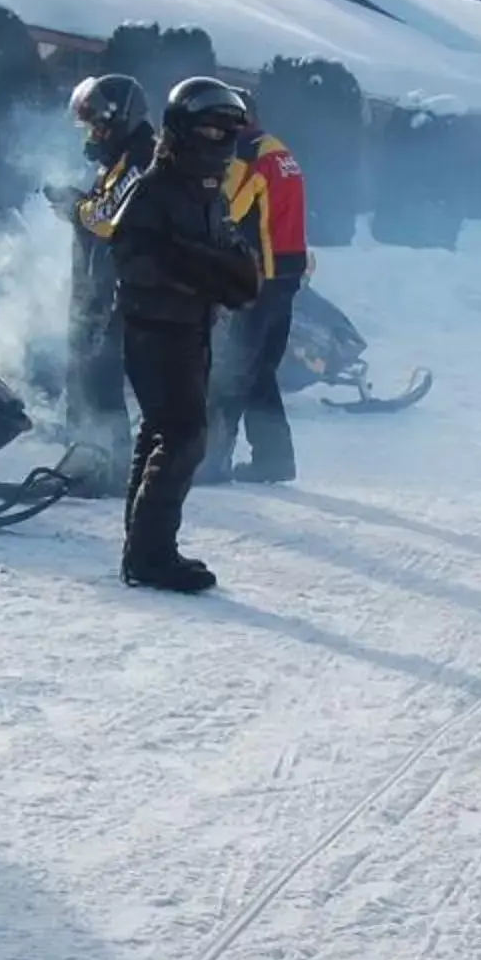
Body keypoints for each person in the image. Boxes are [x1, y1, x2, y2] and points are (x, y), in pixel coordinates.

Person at [109, 78, 262, 590]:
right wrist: (201, 269)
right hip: (153, 330)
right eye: (210, 128)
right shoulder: (155, 188)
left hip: (190, 327)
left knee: (161, 433)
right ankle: (151, 556)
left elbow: (233, 253)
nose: (220, 139)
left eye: (228, 130)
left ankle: (144, 549)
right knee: (184, 436)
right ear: (183, 130)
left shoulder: (208, 193)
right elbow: (133, 259)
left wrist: (230, 272)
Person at [203, 96, 310, 484]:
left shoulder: (248, 153)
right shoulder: (279, 150)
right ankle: (274, 458)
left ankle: (211, 460)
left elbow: (225, 206)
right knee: (260, 370)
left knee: (231, 367)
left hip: (258, 277)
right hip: (285, 275)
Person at [61, 75, 151, 496]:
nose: (93, 134)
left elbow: (106, 217)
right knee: (86, 371)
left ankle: (112, 467)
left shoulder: (139, 158)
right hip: (101, 284)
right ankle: (88, 456)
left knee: (102, 376)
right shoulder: (119, 158)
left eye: (98, 125)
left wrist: (73, 205)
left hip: (120, 286)